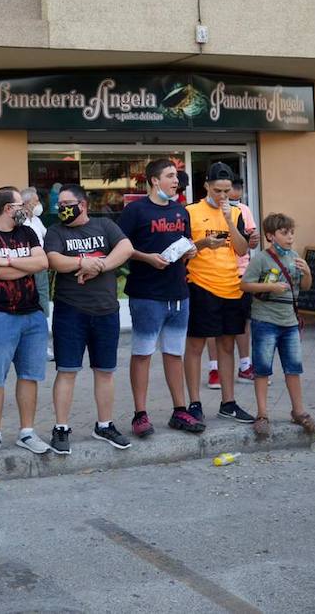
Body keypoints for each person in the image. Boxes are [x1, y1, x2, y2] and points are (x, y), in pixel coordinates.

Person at [44, 184, 133, 453]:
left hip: (105, 310)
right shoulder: (56, 231)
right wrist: (84, 263)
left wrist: (101, 266)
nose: (61, 209)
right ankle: (61, 428)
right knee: (67, 370)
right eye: (59, 205)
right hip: (70, 311)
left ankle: (104, 425)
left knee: (105, 371)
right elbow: (54, 260)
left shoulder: (105, 225)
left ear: (82, 204)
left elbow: (126, 248)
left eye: (66, 203)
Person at [118, 158, 204, 438]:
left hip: (179, 293)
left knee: (174, 354)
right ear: (154, 180)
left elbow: (187, 243)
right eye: (170, 176)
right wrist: (146, 258)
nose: (175, 181)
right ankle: (140, 414)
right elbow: (120, 247)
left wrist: (191, 251)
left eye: (176, 176)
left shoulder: (181, 211)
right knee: (142, 353)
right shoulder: (135, 211)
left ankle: (180, 410)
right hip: (146, 294)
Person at [0, 186, 50, 458]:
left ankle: (27, 432)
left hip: (33, 315)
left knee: (29, 376)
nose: (24, 209)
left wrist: (6, 260)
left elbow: (42, 263)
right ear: (8, 209)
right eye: (20, 205)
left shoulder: (27, 232)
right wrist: (21, 264)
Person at [240, 213, 315, 439]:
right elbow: (244, 285)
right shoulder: (261, 259)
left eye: (292, 232)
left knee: (293, 368)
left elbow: (304, 286)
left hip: (290, 323)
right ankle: (263, 414)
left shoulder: (295, 257)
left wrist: (308, 272)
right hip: (265, 321)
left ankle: (299, 411)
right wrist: (272, 288)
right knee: (263, 369)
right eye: (284, 233)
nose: (290, 237)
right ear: (270, 236)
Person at [184, 162, 254, 423]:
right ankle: (194, 403)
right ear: (206, 186)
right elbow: (182, 250)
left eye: (227, 191)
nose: (223, 196)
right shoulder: (190, 212)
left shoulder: (235, 213)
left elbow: (241, 249)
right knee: (196, 346)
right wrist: (202, 243)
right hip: (200, 285)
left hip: (231, 285)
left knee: (227, 345)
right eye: (217, 191)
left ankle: (229, 402)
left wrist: (228, 221)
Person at [208, 177, 259, 390]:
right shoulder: (202, 211)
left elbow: (250, 241)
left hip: (240, 273)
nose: (227, 196)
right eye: (223, 191)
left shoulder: (243, 211)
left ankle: (245, 365)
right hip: (213, 275)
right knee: (213, 326)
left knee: (241, 322)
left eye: (231, 192)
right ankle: (214, 368)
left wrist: (252, 240)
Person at [20, 187, 53, 359]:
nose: (38, 204)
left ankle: (41, 345)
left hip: (40, 268)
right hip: (27, 268)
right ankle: (33, 345)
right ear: (25, 204)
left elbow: (46, 238)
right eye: (35, 201)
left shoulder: (36, 221)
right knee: (30, 305)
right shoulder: (20, 222)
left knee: (42, 306)